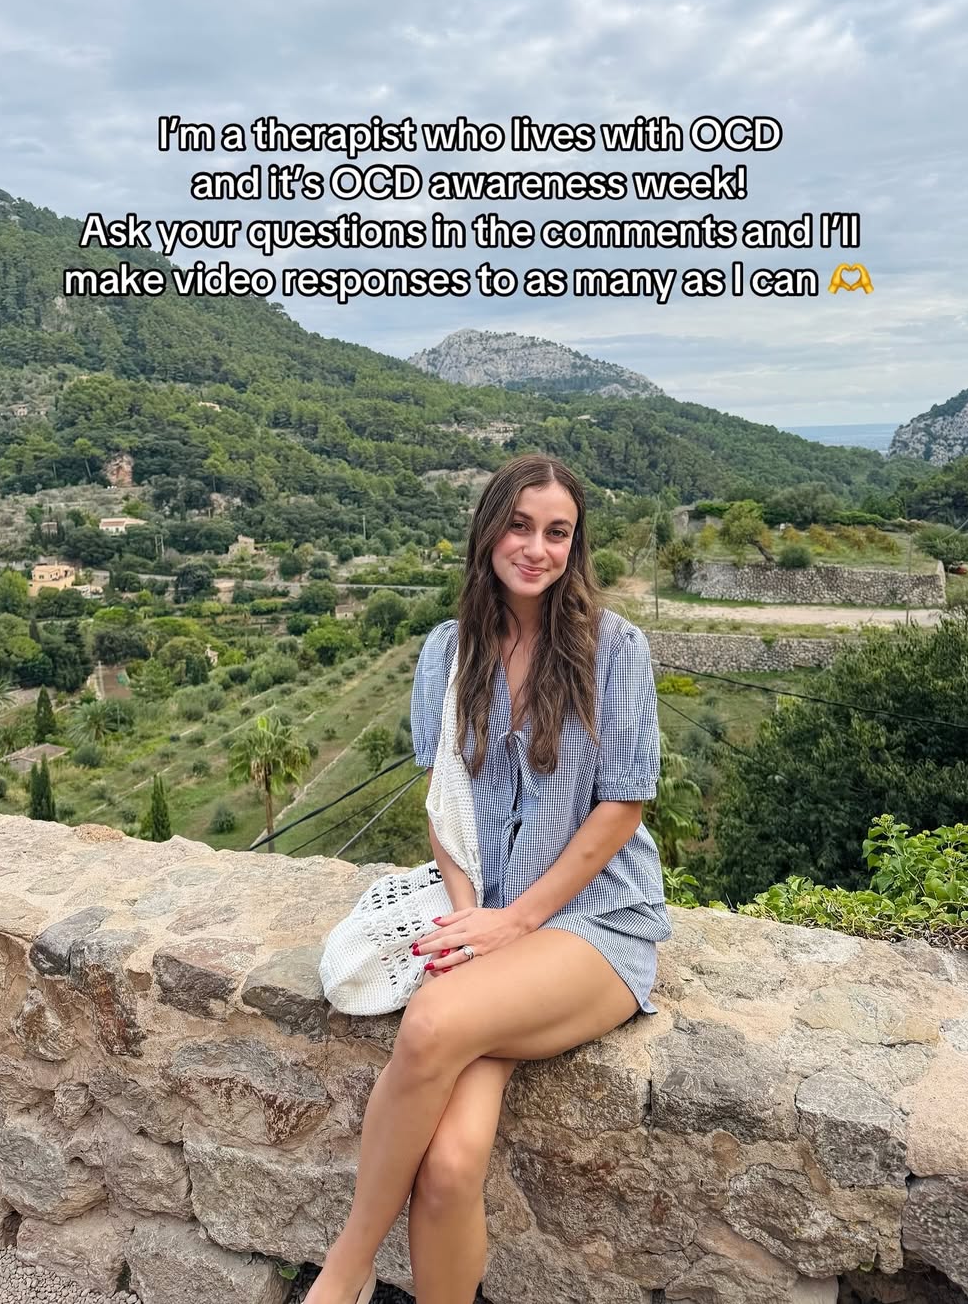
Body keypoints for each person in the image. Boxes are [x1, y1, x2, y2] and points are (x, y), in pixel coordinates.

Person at [304, 453, 672, 1304]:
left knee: (433, 1020)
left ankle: (345, 1269)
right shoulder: (448, 651)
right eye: (520, 525)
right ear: (488, 529)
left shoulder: (616, 649)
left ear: (575, 546)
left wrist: (515, 923)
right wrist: (473, 915)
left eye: (557, 532)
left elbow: (622, 807)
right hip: (494, 925)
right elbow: (446, 807)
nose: (537, 548)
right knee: (450, 1163)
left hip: (595, 921)